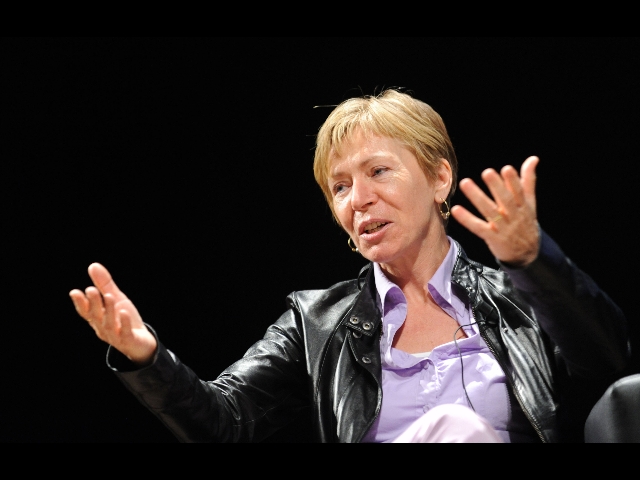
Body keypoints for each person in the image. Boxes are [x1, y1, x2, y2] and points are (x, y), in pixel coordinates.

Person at [69, 88, 630, 443]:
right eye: (339, 186)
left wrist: (533, 262)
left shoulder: (518, 299)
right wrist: (146, 356)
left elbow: (609, 365)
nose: (358, 199)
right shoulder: (318, 321)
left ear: (439, 178)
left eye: (378, 171)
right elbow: (225, 420)